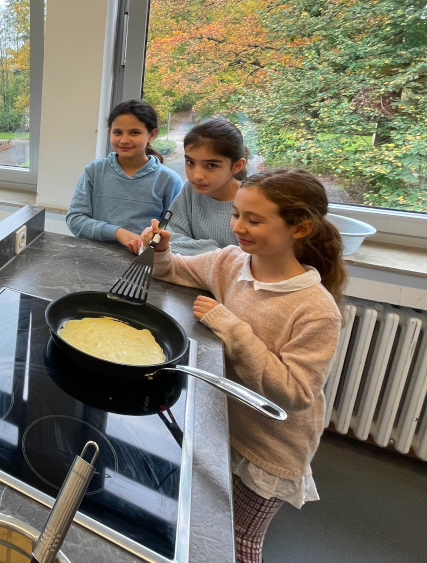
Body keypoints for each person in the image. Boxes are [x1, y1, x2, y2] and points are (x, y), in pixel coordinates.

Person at [142, 168, 346, 563]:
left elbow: (296, 393)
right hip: (222, 425)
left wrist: (230, 326)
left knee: (238, 541)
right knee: (206, 524)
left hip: (267, 447)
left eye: (254, 220)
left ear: (300, 228)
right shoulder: (231, 261)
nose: (238, 227)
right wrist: (162, 250)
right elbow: (173, 270)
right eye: (236, 215)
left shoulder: (315, 309)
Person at [66, 100, 182, 247]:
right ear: (110, 132)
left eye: (134, 132)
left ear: (152, 134)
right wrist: (117, 232)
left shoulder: (169, 180)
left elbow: (175, 232)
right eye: (118, 132)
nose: (124, 140)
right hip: (92, 256)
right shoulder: (95, 171)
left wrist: (150, 242)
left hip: (142, 259)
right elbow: (75, 219)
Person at [156, 117, 249, 255]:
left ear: (237, 166)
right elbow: (169, 237)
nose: (197, 175)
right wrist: (220, 254)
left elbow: (251, 258)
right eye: (190, 162)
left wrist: (198, 251)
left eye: (211, 165)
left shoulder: (252, 202)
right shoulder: (190, 190)